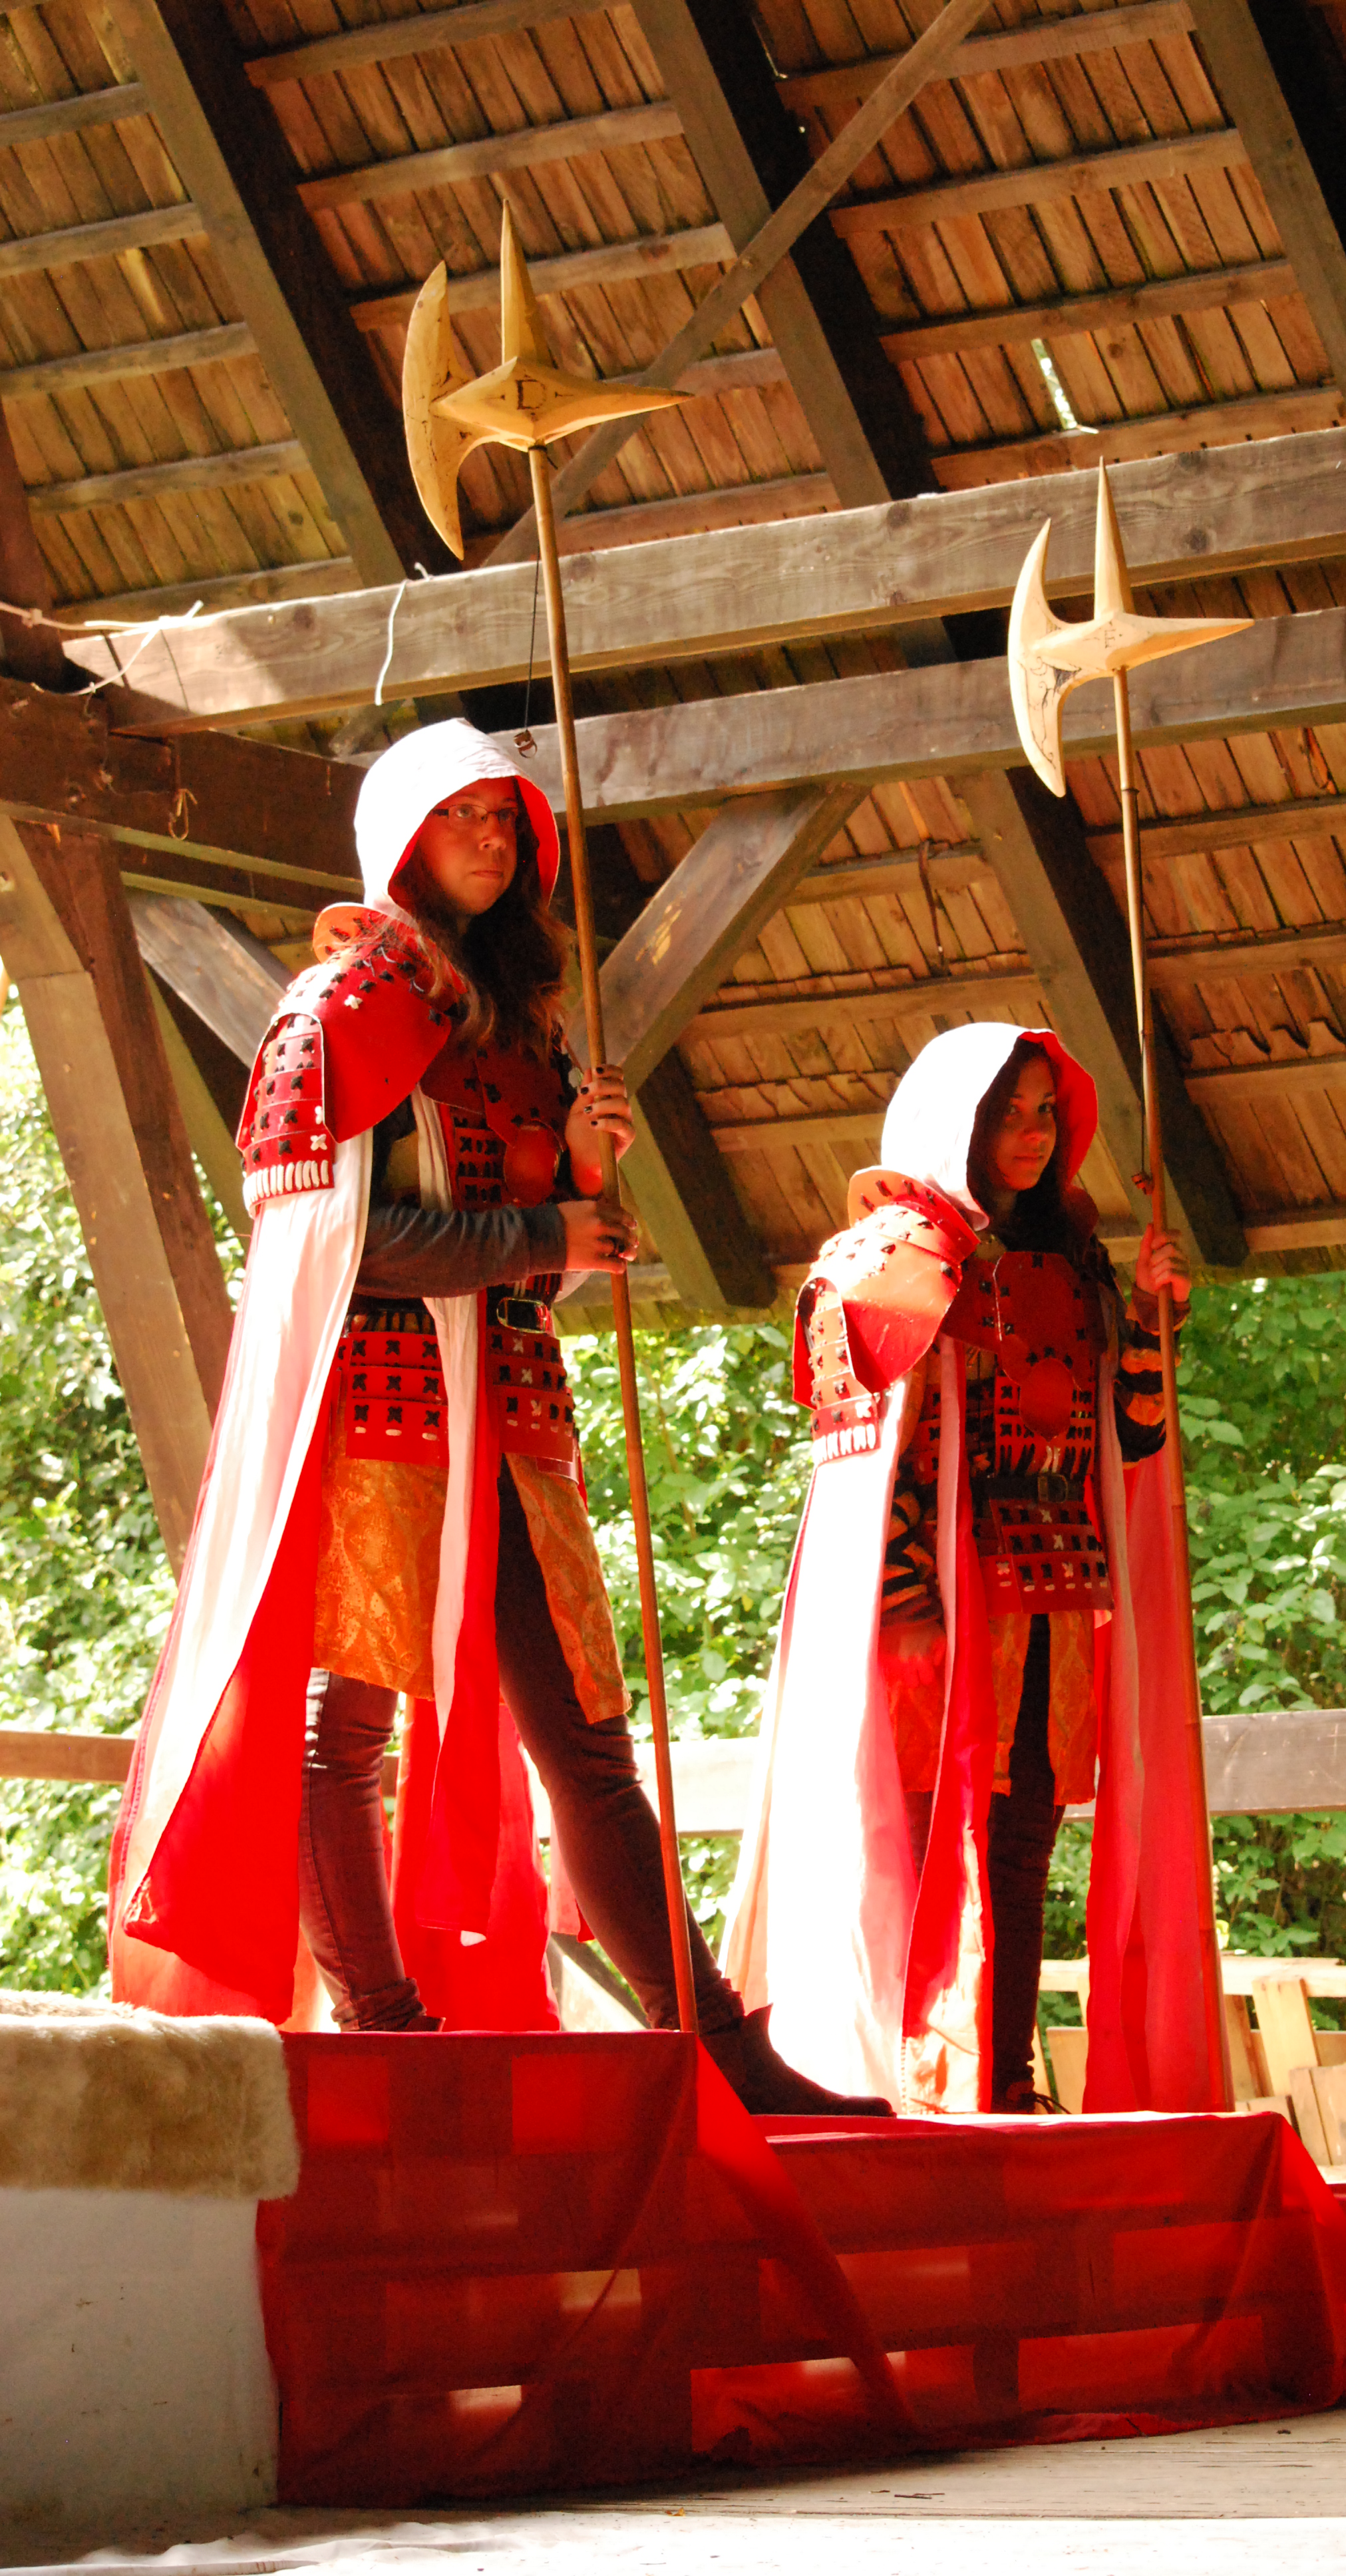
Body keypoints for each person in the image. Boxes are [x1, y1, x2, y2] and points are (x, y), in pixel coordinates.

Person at [108, 719, 887, 2117]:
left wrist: (584, 1189)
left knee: (584, 1738)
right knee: (344, 1726)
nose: (494, 837)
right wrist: (547, 1224)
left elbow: (554, 1257)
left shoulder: (530, 1027)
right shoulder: (339, 1012)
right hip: (375, 1400)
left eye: (507, 818)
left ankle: (716, 2044)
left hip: (514, 1409)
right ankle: (385, 2025)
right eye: (464, 815)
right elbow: (334, 1240)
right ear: (405, 839)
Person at [723, 1021, 1191, 2115]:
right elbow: (862, 1462)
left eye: (1044, 1113)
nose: (1031, 1136)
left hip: (1059, 1589)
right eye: (1007, 1114)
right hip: (939, 1602)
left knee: (1025, 1836)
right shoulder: (891, 1259)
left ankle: (1008, 2083)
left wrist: (1152, 1328)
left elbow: (1120, 1441)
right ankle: (903, 2070)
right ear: (959, 1124)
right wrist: (903, 1598)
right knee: (925, 1842)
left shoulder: (1075, 1258)